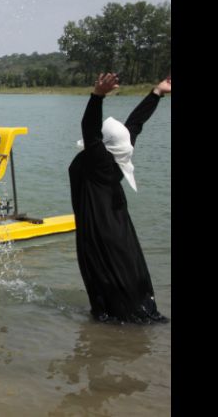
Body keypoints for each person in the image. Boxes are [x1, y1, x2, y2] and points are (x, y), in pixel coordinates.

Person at [68, 72, 170, 324]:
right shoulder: (121, 152)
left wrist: (97, 96)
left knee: (102, 270)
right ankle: (136, 314)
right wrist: (156, 93)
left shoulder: (99, 159)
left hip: (99, 227)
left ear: (103, 142)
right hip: (118, 221)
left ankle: (115, 318)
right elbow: (135, 124)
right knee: (126, 266)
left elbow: (89, 128)